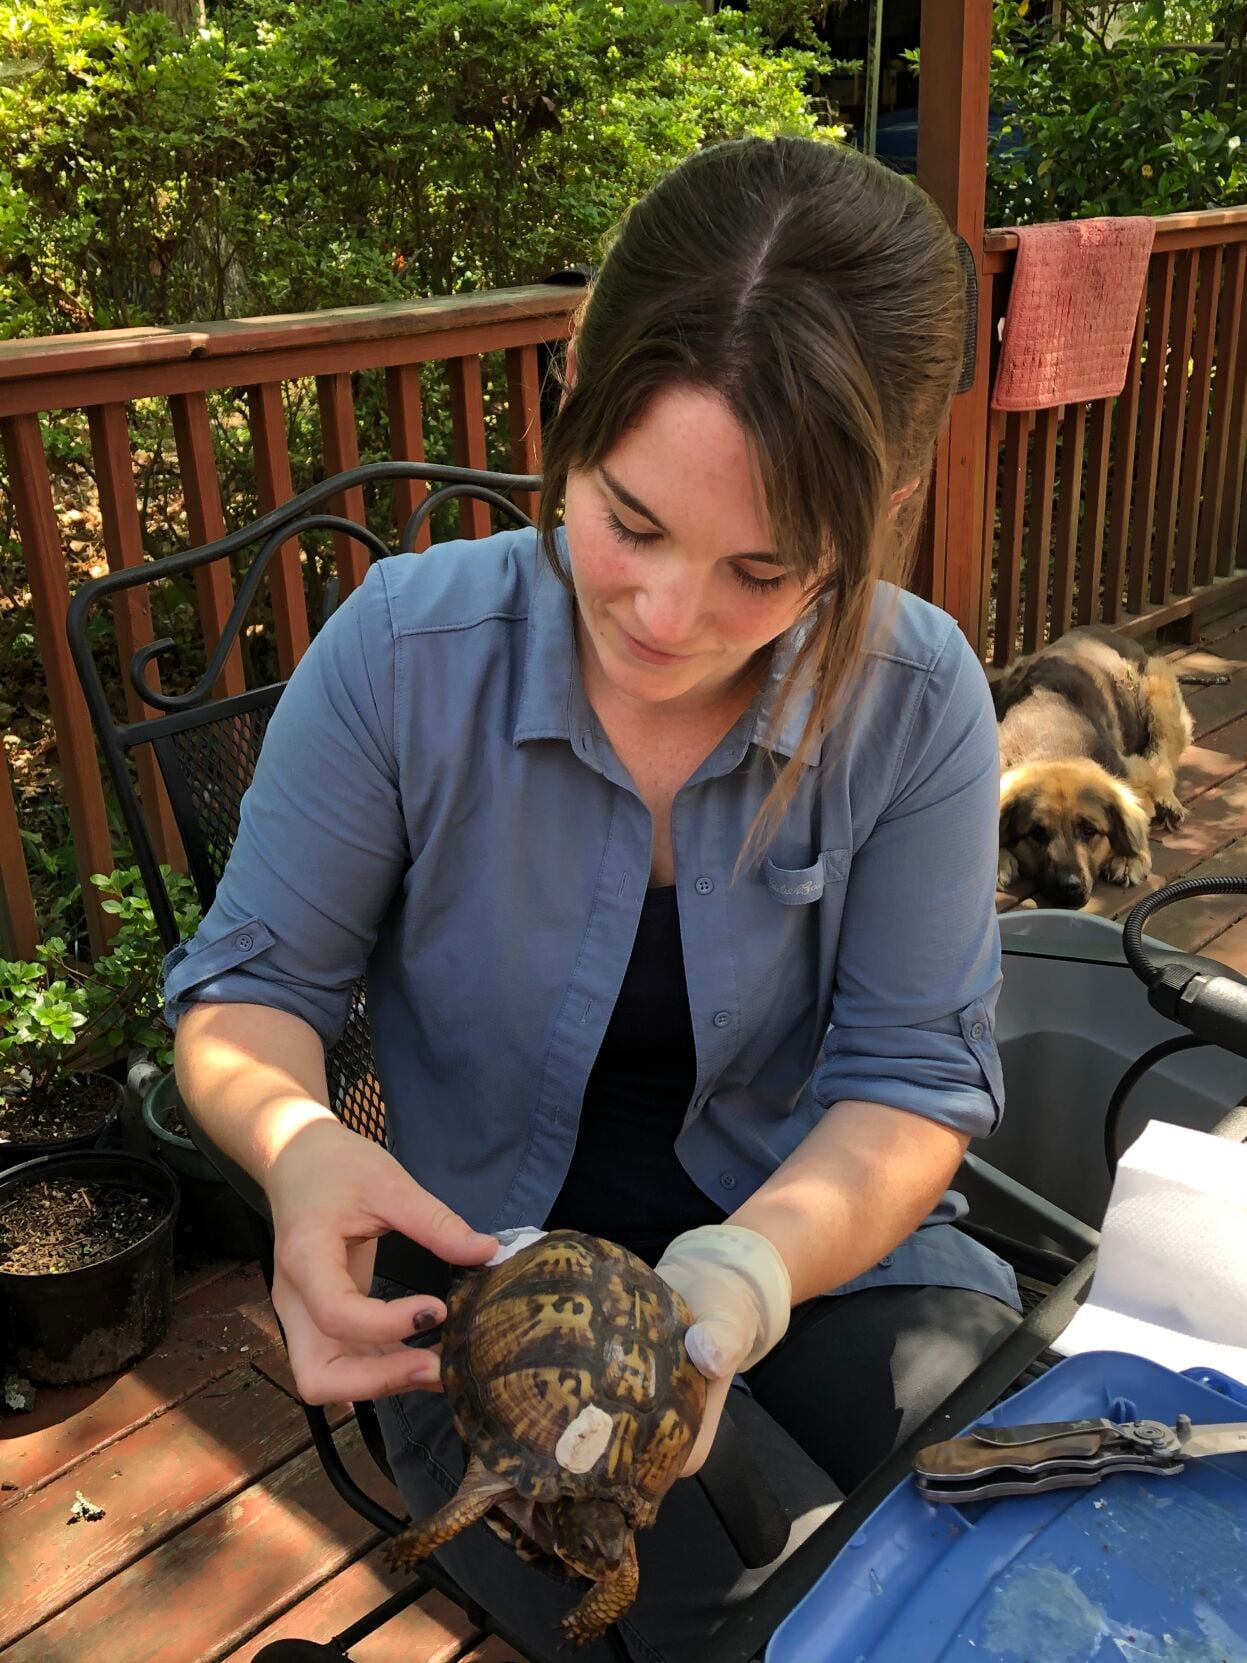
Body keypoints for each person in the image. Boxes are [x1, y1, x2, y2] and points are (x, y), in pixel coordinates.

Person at [164, 134, 1021, 1662]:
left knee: (997, 1533)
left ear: (881, 506)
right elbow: (255, 995)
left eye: (767, 571)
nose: (672, 616)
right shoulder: (404, 661)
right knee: (752, 1624)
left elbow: (910, 1082)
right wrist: (296, 1153)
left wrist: (745, 1279)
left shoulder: (917, 701)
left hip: (822, 1255)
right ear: (574, 399)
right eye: (630, 522)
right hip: (496, 1324)